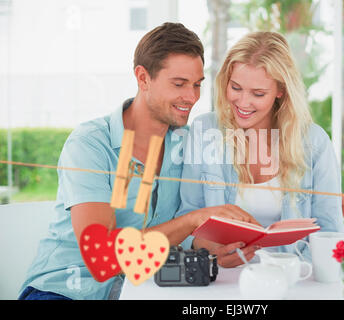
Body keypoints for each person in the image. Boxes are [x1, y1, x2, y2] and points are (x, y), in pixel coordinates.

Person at [18, 22, 258, 300]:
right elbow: (102, 259)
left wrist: (210, 248)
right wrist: (194, 220)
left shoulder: (187, 143)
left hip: (143, 289)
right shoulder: (91, 144)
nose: (192, 97)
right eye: (179, 84)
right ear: (143, 78)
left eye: (196, 85)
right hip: (66, 290)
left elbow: (179, 231)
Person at [176, 31, 344, 267]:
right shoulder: (204, 130)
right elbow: (187, 217)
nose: (243, 103)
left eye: (258, 94)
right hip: (223, 280)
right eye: (235, 88)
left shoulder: (314, 141)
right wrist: (208, 248)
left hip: (293, 277)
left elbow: (330, 232)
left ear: (280, 91)